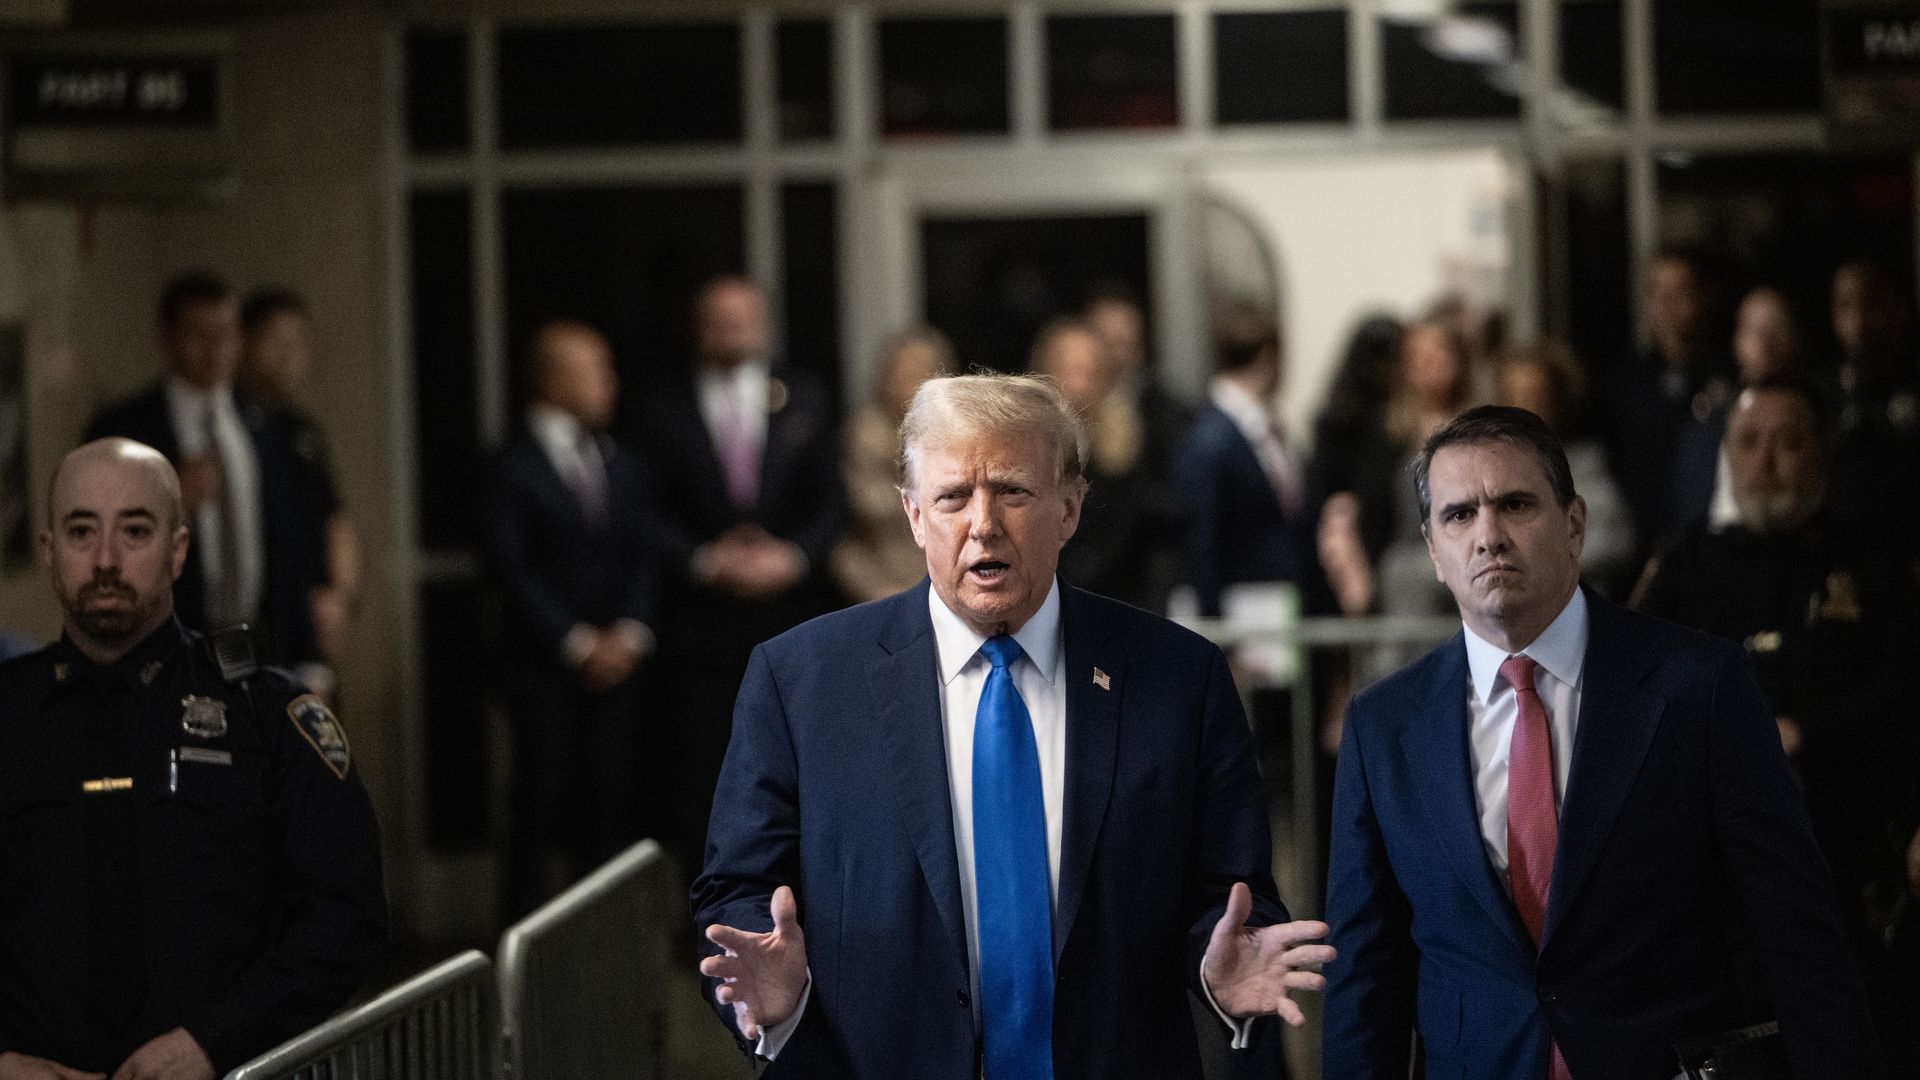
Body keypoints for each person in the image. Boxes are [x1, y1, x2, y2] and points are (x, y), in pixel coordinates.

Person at [692, 373, 1334, 1080]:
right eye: (952, 497)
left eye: (1013, 491)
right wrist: (771, 991)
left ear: (1070, 507)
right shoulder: (800, 680)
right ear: (913, 514)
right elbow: (738, 888)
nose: (983, 524)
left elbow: (1230, 891)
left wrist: (1218, 967)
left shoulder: (1181, 678)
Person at [1323, 405, 1881, 1079]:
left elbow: (1795, 930)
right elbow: (1365, 976)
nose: (1488, 536)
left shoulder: (1701, 685)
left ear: (1575, 525)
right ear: (1433, 551)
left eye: (1515, 504)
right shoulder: (1383, 726)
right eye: (1459, 515)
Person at [0, 438, 386, 1080]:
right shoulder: (8, 715)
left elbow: (347, 919)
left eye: (135, 530)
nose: (105, 559)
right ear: (48, 550)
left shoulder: (263, 715)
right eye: (81, 531)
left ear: (177, 551)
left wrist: (214, 1042)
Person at [1633, 379, 1920, 1075]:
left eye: (1788, 443)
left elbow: (1904, 693)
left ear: (1824, 453)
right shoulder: (1684, 564)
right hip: (1716, 861)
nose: (1765, 463)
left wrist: (1804, 732)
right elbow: (1634, 692)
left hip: (1852, 846)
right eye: (1749, 443)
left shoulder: (1879, 564)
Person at [635, 275, 842, 878]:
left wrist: (792, 557)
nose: (731, 329)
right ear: (697, 327)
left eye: (742, 317)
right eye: (718, 318)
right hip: (698, 626)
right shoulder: (661, 406)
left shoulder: (806, 396)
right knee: (702, 771)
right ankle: (706, 904)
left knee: (797, 767)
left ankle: (797, 902)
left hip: (791, 618)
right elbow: (642, 509)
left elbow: (834, 502)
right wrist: (703, 559)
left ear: (764, 323)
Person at [484, 320, 658, 918]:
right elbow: (512, 569)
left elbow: (643, 552)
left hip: (619, 668)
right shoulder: (511, 464)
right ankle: (520, 948)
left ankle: (600, 948)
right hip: (543, 668)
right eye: (596, 371)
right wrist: (578, 642)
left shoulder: (621, 460)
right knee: (537, 809)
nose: (611, 383)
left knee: (609, 811)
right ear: (554, 380)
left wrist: (630, 632)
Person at [86, 272, 325, 682]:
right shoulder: (124, 430)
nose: (215, 349)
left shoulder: (266, 425)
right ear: (168, 337)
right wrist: (169, 500)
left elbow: (289, 542)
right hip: (165, 643)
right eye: (198, 335)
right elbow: (95, 542)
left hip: (257, 636)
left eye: (226, 334)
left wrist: (310, 660)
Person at [237, 287, 363, 674]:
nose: (291, 354)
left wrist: (339, 598)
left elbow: (333, 518)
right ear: (244, 344)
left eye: (299, 342)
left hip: (305, 626)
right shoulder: (227, 426)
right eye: (277, 340)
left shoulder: (301, 432)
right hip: (250, 624)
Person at [1174, 307, 1320, 619]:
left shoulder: (1265, 426)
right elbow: (1203, 540)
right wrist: (1216, 627)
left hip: (1279, 608)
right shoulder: (1211, 439)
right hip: (1242, 613)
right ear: (1269, 358)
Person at [1033, 318, 1182, 612]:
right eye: (1072, 371)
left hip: (1114, 602)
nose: (1081, 385)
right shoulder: (1028, 449)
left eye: (1092, 373)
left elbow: (1138, 536)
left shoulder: (1130, 449)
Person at [1597, 247, 1734, 551]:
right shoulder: (1623, 386)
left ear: (1706, 296)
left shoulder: (1731, 380)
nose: (1668, 304)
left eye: (1680, 291)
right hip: (1639, 547)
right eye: (1658, 293)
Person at [831, 327, 954, 604]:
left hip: (945, 584)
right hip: (879, 582)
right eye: (902, 371)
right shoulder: (864, 435)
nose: (912, 381)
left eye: (922, 371)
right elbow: (856, 517)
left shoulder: (957, 436)